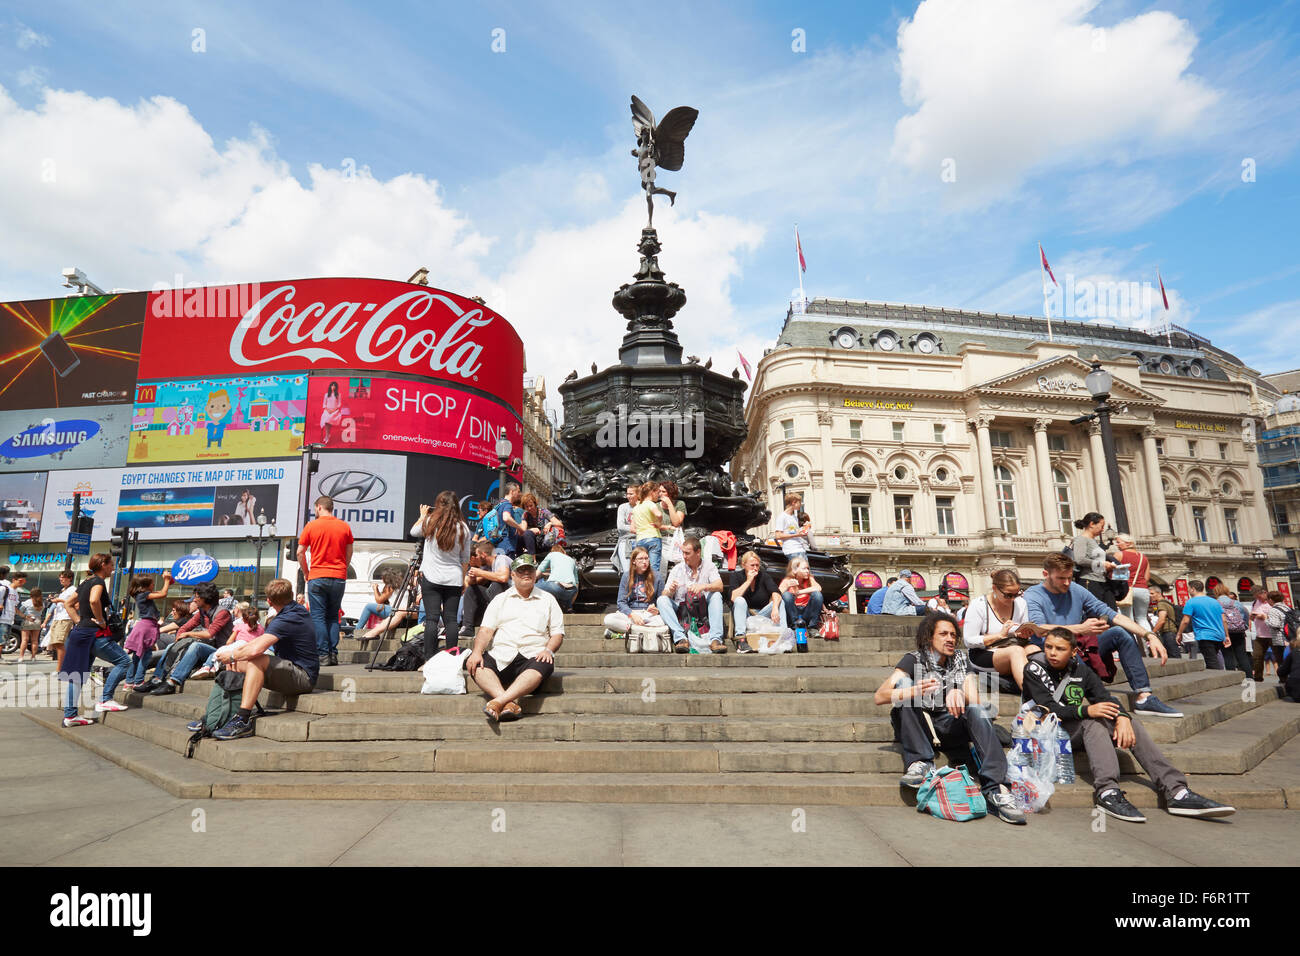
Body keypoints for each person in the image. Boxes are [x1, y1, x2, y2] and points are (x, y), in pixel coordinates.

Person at [1023, 627, 1234, 821]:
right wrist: (1086, 710)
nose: (1052, 652)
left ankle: (1176, 790)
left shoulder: (1081, 670)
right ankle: (1107, 791)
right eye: (1048, 647)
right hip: (1045, 732)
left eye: (1060, 649)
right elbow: (1048, 708)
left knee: (1130, 723)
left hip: (1072, 730)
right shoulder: (1034, 668)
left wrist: (1123, 717)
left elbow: (1104, 697)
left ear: (1074, 652)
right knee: (1093, 723)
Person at [872, 611, 1026, 825]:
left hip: (950, 726)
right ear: (929, 637)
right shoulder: (913, 659)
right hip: (920, 725)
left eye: (953, 635)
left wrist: (960, 692)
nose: (950, 639)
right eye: (943, 634)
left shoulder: (961, 660)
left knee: (977, 710)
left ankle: (995, 789)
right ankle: (919, 761)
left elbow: (976, 704)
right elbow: (880, 696)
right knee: (904, 687)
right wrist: (914, 691)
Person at [1023, 552, 1182, 718]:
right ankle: (1103, 703)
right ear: (1046, 574)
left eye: (1070, 577)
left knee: (1119, 633)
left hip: (1078, 649)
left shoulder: (1075, 589)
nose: (1067, 583)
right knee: (1072, 658)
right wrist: (1081, 629)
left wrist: (1149, 635)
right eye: (1061, 578)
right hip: (1052, 653)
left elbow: (1112, 614)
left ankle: (1144, 696)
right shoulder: (1033, 595)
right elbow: (1040, 629)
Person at [201, 579, 319, 740]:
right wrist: (234, 655)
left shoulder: (287, 618)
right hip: (291, 671)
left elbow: (257, 648)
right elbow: (256, 642)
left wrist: (232, 654)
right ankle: (220, 714)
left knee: (256, 659)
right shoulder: (294, 612)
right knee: (236, 661)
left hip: (303, 677)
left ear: (269, 601)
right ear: (291, 595)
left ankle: (242, 719)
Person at [466, 555, 565, 722]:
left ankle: (498, 702)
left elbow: (557, 633)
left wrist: (548, 650)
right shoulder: (500, 599)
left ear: (535, 574)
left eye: (530, 570)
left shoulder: (548, 599)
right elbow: (485, 630)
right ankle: (508, 702)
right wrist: (476, 651)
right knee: (477, 665)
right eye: (521, 570)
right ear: (512, 575)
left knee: (545, 663)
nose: (526, 573)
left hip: (533, 654)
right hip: (502, 653)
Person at [58, 553, 132, 724]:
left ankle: (70, 715)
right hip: (94, 634)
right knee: (125, 662)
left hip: (79, 633)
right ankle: (106, 699)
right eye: (111, 564)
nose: (113, 567)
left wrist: (79, 621)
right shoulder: (98, 582)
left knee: (77, 675)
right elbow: (93, 600)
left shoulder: (85, 582)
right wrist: (100, 620)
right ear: (103, 565)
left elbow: (68, 604)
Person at [139, 583, 234, 695]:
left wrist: (188, 634)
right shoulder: (202, 612)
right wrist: (179, 638)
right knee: (171, 646)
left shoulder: (222, 612)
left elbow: (210, 633)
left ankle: (172, 682)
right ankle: (157, 679)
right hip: (209, 647)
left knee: (196, 646)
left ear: (205, 597)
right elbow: (185, 627)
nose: (194, 599)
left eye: (197, 596)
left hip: (219, 651)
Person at [411, 492, 471, 656]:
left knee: (432, 619)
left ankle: (429, 659)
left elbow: (413, 531)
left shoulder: (430, 522)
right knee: (451, 620)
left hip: (431, 576)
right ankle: (451, 658)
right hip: (454, 578)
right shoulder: (463, 528)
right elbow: (465, 559)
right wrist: (463, 578)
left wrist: (422, 515)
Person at [297, 494, 354, 667]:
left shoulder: (311, 526)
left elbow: (300, 552)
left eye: (315, 508)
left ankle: (322, 654)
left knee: (318, 617)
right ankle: (333, 654)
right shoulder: (344, 526)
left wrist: (306, 572)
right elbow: (349, 551)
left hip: (317, 576)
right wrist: (342, 567)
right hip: (338, 577)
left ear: (319, 507)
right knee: (332, 616)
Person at [962, 568, 1038, 687]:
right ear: (995, 589)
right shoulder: (979, 605)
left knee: (1034, 649)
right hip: (983, 653)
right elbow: (968, 641)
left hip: (1012, 645)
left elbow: (1020, 629)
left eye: (1017, 594)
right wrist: (999, 635)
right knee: (1016, 651)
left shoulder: (1020, 603)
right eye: (1008, 595)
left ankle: (1048, 692)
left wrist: (1022, 633)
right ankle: (1032, 697)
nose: (1013, 599)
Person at [655, 534, 726, 653]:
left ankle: (715, 639)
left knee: (717, 595)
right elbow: (664, 593)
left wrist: (704, 586)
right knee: (661, 600)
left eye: (687, 553)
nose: (684, 556)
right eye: (683, 553)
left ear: (698, 552)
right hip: (681, 608)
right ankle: (681, 638)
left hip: (702, 607)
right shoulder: (677, 569)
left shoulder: (709, 566)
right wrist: (670, 591)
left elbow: (720, 586)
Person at [190, 602, 266, 680]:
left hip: (239, 646)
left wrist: (228, 645)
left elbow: (229, 641)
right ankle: (214, 668)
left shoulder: (239, 626)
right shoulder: (261, 628)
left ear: (243, 618)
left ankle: (208, 667)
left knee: (219, 652)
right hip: (251, 649)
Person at [730, 550, 784, 653]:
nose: (755, 568)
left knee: (780, 601)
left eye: (757, 565)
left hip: (761, 614)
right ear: (744, 565)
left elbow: (776, 592)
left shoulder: (764, 576)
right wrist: (749, 580)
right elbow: (733, 597)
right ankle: (741, 640)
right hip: (745, 615)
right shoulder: (736, 576)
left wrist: (775, 608)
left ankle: (783, 637)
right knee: (740, 600)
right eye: (752, 565)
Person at [123, 572, 172, 687]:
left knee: (137, 656)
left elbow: (160, 592)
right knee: (146, 655)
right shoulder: (143, 595)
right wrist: (166, 580)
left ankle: (129, 681)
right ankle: (139, 681)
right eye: (152, 583)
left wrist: (167, 581)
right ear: (144, 586)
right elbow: (163, 594)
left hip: (143, 626)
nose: (154, 585)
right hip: (147, 627)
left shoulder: (140, 594)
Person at [605, 546, 663, 637]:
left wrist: (657, 609)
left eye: (646, 558)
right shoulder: (627, 576)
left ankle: (628, 633)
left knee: (662, 621)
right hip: (631, 613)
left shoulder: (657, 576)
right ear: (634, 561)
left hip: (648, 615)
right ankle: (640, 631)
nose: (644, 562)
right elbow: (621, 602)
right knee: (608, 619)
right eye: (640, 559)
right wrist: (632, 615)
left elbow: (662, 600)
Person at [459, 539, 512, 638]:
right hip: (496, 600)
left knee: (497, 585)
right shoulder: (488, 567)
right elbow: (473, 585)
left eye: (477, 555)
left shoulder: (501, 559)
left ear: (483, 555)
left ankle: (496, 627)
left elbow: (503, 578)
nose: (476, 558)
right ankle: (467, 628)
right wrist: (473, 577)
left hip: (511, 598)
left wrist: (480, 573)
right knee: (471, 590)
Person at [1069, 513, 1120, 610]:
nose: (1102, 529)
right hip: (1089, 580)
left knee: (1110, 610)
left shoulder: (1092, 541)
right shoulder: (1081, 539)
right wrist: (1102, 564)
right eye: (1101, 526)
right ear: (1092, 524)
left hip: (1101, 581)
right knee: (1094, 611)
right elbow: (1079, 559)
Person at [1175, 580, 1230, 671]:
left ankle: (1217, 680)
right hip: (1219, 635)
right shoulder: (1215, 601)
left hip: (1205, 635)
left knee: (1211, 662)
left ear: (1193, 589)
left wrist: (1179, 633)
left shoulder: (1191, 602)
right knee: (1214, 658)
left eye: (1188, 589)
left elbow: (1185, 620)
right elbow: (1224, 620)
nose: (1188, 591)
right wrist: (1227, 635)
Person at [1211, 583, 1252, 676]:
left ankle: (1233, 677)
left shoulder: (1215, 604)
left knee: (1228, 656)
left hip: (1225, 633)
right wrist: (1243, 627)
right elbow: (1246, 615)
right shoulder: (1236, 603)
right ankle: (1249, 677)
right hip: (1239, 632)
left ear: (1216, 592)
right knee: (1242, 656)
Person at [779, 556, 823, 634]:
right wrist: (787, 586)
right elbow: (777, 595)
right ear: (794, 570)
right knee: (786, 595)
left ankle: (812, 627)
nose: (807, 571)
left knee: (817, 595)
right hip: (793, 613)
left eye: (808, 568)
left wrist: (799, 592)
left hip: (806, 612)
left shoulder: (809, 579)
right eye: (804, 569)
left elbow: (818, 588)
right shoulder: (787, 580)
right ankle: (795, 626)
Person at [1112, 534, 1150, 626]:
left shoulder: (1119, 555)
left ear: (1128, 543)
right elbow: (1147, 578)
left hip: (1126, 589)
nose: (1116, 545)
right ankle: (1149, 639)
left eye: (1118, 542)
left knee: (1127, 619)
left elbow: (1116, 576)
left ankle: (1132, 640)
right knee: (1142, 619)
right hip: (1143, 590)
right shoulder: (1143, 557)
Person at [631, 481, 665, 575]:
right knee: (654, 568)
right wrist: (658, 523)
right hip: (653, 537)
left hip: (640, 539)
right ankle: (653, 588)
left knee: (641, 568)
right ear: (652, 492)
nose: (658, 495)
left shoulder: (636, 507)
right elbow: (659, 514)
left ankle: (642, 588)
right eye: (657, 492)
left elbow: (632, 528)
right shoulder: (650, 504)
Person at [535, 540, 580, 612]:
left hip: (555, 587)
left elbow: (538, 573)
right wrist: (571, 602)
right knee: (565, 589)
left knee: (534, 586)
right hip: (571, 590)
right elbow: (576, 584)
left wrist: (531, 582)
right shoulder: (571, 560)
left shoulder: (551, 554)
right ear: (563, 551)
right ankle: (569, 608)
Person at [45, 569, 76, 672]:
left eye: (63, 577)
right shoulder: (63, 590)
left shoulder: (73, 590)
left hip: (65, 618)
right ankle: (65, 666)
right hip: (57, 618)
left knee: (59, 643)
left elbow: (75, 604)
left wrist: (59, 600)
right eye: (60, 577)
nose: (61, 579)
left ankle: (60, 669)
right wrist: (54, 599)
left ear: (70, 578)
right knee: (55, 643)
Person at [773, 493, 810, 562]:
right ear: (794, 502)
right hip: (792, 550)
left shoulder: (794, 517)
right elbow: (778, 535)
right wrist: (798, 534)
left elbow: (794, 532)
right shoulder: (782, 517)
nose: (801, 504)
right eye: (799, 502)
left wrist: (805, 528)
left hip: (800, 548)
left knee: (804, 572)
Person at [493, 483, 526, 558]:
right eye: (518, 491)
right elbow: (506, 518)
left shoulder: (499, 505)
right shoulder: (507, 505)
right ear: (512, 492)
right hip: (507, 545)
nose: (519, 494)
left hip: (498, 544)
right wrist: (519, 528)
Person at [612, 484, 639, 575]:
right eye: (627, 494)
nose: (628, 496)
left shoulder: (643, 507)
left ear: (638, 494)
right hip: (625, 541)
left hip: (640, 541)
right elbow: (621, 527)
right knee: (627, 572)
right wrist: (638, 530)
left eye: (631, 494)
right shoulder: (623, 507)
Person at [1148, 585, 1181, 659]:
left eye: (1152, 593)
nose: (1150, 596)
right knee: (1174, 656)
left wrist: (1153, 632)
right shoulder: (1167, 602)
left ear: (1159, 593)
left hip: (1168, 633)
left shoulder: (1161, 604)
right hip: (1170, 632)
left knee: (1173, 657)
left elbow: (1161, 620)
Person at [14, 587, 45, 663]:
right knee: (35, 640)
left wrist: (25, 616)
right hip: (37, 621)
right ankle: (33, 657)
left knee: (25, 640)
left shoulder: (27, 602)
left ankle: (21, 657)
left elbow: (20, 611)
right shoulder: (42, 603)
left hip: (28, 620)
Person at [0, 566, 20, 663]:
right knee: (2, 639)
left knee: (3, 639)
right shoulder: (4, 586)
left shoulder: (14, 591)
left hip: (8, 618)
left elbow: (15, 606)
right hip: (3, 617)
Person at [319, 380, 343, 444]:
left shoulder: (338, 395)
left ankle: (327, 436)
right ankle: (327, 435)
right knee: (326, 420)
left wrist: (333, 410)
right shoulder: (326, 395)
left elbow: (339, 404)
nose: (333, 387)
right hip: (327, 410)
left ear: (336, 387)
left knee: (329, 420)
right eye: (332, 385)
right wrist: (328, 410)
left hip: (335, 411)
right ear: (330, 386)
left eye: (334, 386)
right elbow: (324, 404)